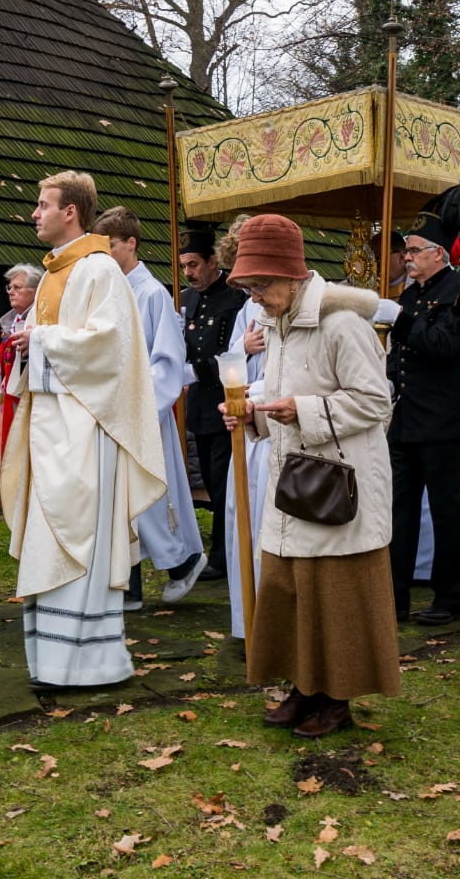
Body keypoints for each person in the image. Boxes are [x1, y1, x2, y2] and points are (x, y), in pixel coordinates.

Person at [218, 214, 399, 738]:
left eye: (261, 285)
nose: (255, 298)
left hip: (338, 484)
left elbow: (375, 401)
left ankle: (336, 699)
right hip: (294, 483)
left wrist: (304, 411)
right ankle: (304, 686)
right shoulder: (277, 324)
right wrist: (251, 417)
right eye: (249, 288)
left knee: (335, 597)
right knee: (294, 589)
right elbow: (281, 397)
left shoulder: (342, 324)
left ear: (291, 276)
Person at [0, 172, 167, 688]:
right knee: (50, 535)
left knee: (81, 536)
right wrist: (33, 343)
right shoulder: (55, 271)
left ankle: (89, 663)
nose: (35, 214)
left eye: (43, 204)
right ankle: (53, 661)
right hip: (50, 425)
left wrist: (40, 339)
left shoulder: (99, 269)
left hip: (87, 427)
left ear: (70, 211)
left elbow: (109, 346)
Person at [94, 206, 207, 611]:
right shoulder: (105, 292)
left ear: (131, 243)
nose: (105, 254)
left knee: (150, 498)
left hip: (142, 412)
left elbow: (168, 359)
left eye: (110, 245)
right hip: (109, 410)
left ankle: (183, 561)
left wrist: (144, 406)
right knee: (116, 501)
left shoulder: (152, 293)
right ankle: (129, 584)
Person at [386, 178, 460, 626]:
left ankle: (449, 595)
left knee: (446, 512)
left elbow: (444, 344)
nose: (406, 257)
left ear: (438, 253)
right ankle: (395, 595)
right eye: (406, 251)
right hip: (407, 418)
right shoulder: (411, 294)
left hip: (444, 421)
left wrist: (401, 323)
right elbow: (402, 356)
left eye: (413, 250)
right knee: (399, 510)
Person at [180, 226, 248, 581]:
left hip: (225, 401)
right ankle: (218, 546)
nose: (188, 273)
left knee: (224, 483)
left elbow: (232, 352)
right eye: (183, 266)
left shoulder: (234, 298)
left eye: (193, 264)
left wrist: (195, 370)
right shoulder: (186, 300)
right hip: (199, 406)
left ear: (212, 261)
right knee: (208, 479)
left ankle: (224, 554)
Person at [216, 216, 271, 641]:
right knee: (240, 518)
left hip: (272, 422)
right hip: (246, 422)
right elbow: (230, 361)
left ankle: (268, 620)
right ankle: (244, 620)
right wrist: (244, 347)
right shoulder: (247, 308)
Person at [0, 264, 42, 457]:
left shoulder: (39, 323)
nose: (11, 292)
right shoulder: (9, 323)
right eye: (9, 287)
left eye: (17, 287)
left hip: (27, 398)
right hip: (6, 397)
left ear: (35, 291)